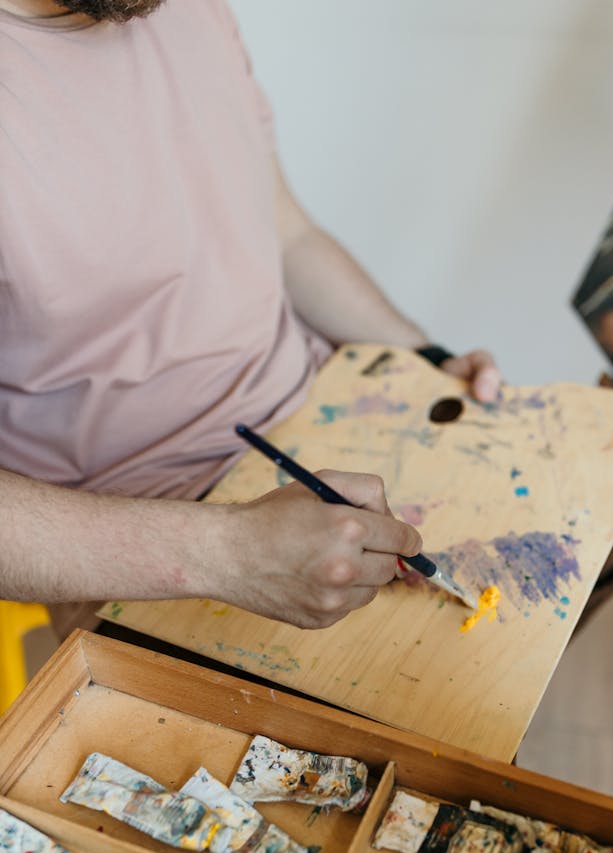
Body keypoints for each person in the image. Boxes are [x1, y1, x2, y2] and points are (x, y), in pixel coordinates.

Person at [0, 0, 502, 636]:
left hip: (325, 417)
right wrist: (231, 554)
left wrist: (424, 358)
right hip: (139, 541)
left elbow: (286, 234)